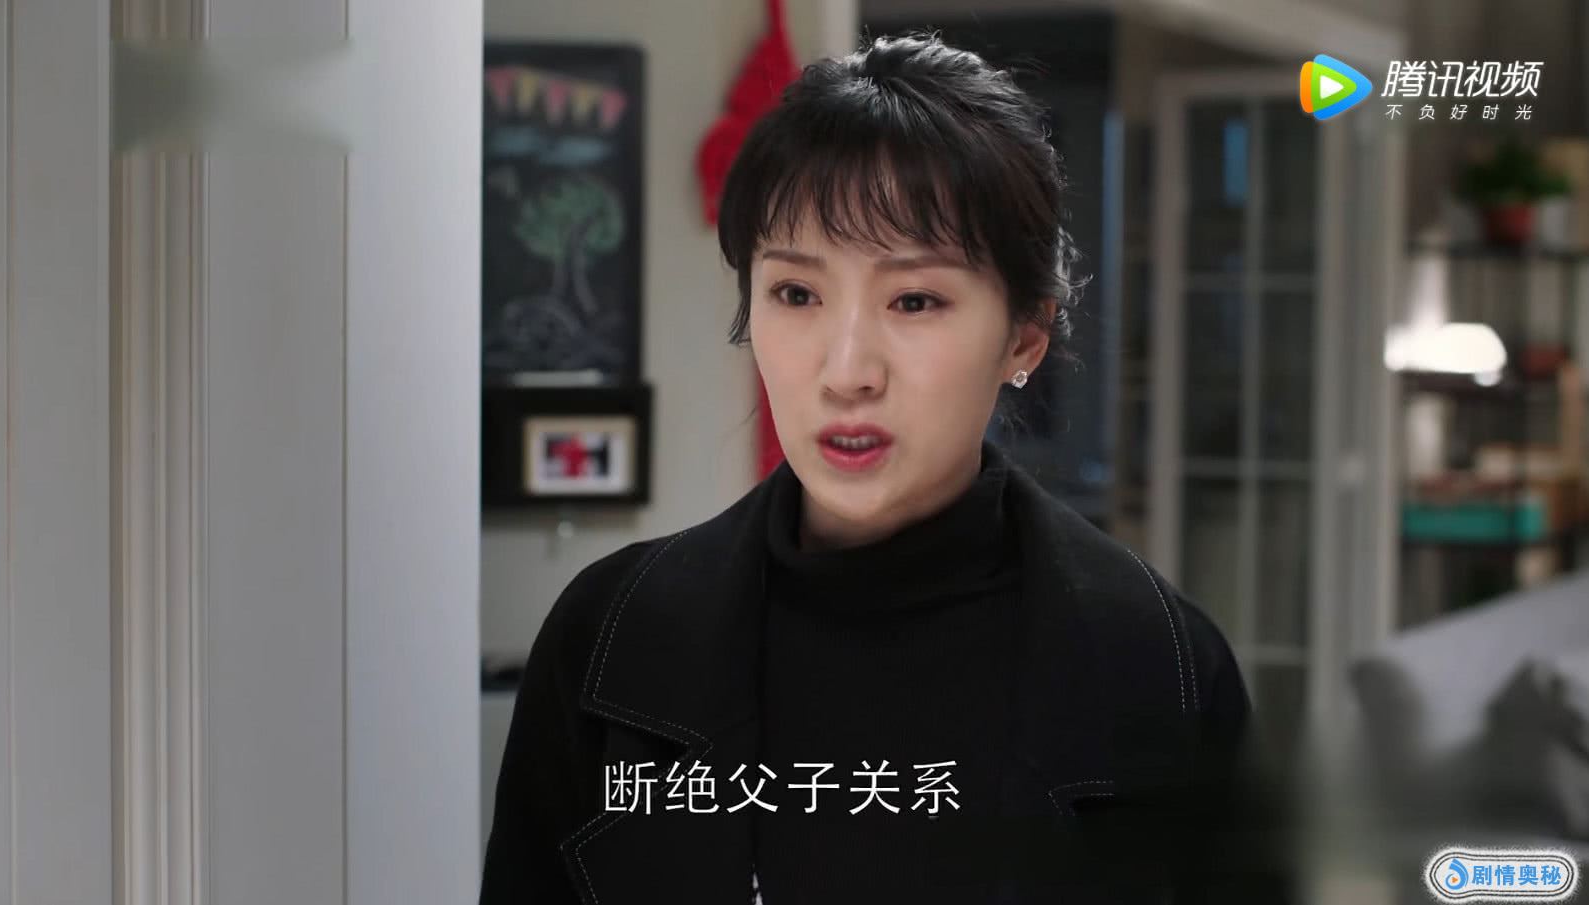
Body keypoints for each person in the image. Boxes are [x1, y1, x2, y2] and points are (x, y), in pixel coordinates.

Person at [482, 31, 1292, 905]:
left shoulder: (1159, 665)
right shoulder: (610, 637)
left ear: (1025, 335)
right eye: (796, 293)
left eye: (915, 299)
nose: (847, 371)